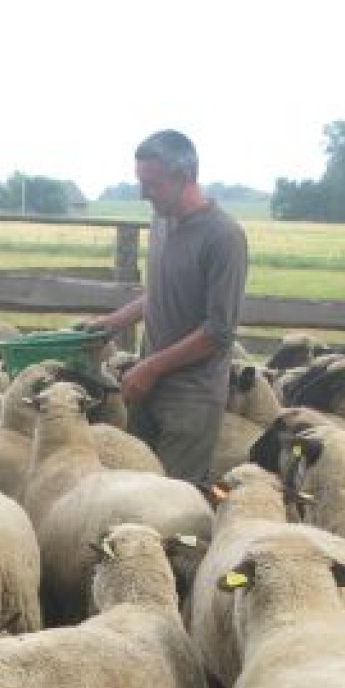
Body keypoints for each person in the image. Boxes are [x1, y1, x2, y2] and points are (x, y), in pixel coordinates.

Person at [81, 129, 249, 482]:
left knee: (171, 505)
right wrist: (112, 321)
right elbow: (160, 292)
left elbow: (218, 331)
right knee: (136, 494)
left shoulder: (224, 238)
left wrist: (151, 367)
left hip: (191, 400)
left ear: (183, 177)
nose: (144, 194)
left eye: (152, 184)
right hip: (147, 389)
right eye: (141, 182)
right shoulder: (161, 222)